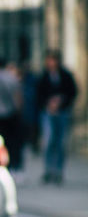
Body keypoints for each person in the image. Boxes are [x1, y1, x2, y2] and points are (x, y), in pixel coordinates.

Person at [37, 50, 77, 185]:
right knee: (49, 141)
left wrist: (61, 101)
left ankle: (58, 171)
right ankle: (48, 170)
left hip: (62, 112)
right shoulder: (43, 76)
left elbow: (72, 92)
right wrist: (48, 103)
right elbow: (38, 94)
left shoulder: (65, 75)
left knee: (60, 143)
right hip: (47, 113)